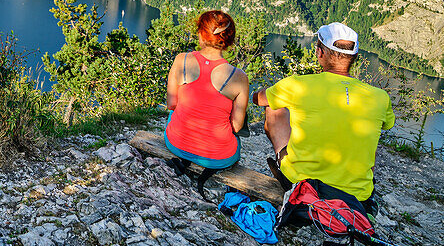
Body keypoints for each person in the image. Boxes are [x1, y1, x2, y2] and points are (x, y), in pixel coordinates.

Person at [253, 22, 395, 206]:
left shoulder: (297, 85)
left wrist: (271, 91)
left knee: (273, 106)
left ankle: (287, 164)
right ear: (355, 57)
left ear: (319, 52)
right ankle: (350, 180)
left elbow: (259, 99)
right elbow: (387, 125)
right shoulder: (380, 97)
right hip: (356, 195)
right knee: (370, 128)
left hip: (302, 185)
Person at [164, 10, 250, 186]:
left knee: (174, 115)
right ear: (228, 40)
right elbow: (236, 126)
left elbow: (172, 104)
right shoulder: (239, 77)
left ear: (201, 35)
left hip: (176, 143)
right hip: (218, 157)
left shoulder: (181, 60)